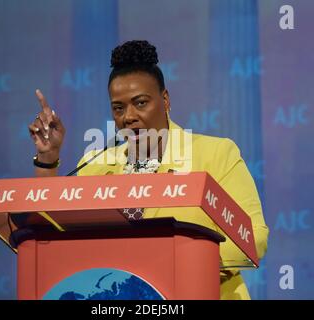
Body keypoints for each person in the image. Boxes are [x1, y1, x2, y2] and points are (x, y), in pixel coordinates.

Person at [28, 40, 269, 300]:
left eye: (140, 103)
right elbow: (51, 232)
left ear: (164, 100)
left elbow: (253, 238)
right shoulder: (96, 165)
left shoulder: (215, 154)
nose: (128, 116)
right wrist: (48, 157)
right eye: (118, 108)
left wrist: (172, 264)